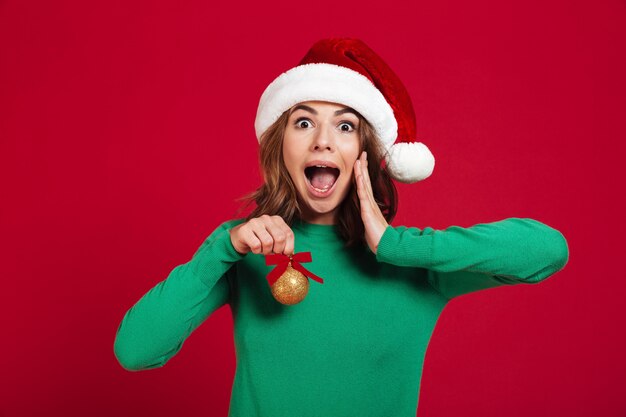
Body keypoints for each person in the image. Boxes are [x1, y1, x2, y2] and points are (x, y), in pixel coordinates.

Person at [113, 38, 569, 416]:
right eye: (304, 121)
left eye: (346, 126)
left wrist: (397, 245)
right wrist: (223, 246)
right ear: (281, 147)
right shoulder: (245, 255)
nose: (324, 140)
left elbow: (547, 250)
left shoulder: (411, 263)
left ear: (367, 153)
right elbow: (135, 351)